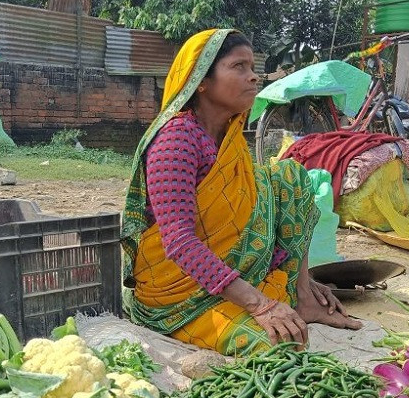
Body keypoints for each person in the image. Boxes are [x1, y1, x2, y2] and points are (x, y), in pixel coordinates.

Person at [121, 28, 361, 357]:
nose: (253, 78)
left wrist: (297, 283)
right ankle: (258, 302)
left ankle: (303, 295)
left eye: (252, 68)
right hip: (180, 293)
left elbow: (245, 210)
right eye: (238, 67)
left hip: (221, 276)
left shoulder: (228, 136)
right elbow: (178, 241)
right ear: (201, 81)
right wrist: (261, 304)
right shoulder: (176, 139)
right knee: (278, 343)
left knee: (289, 176)